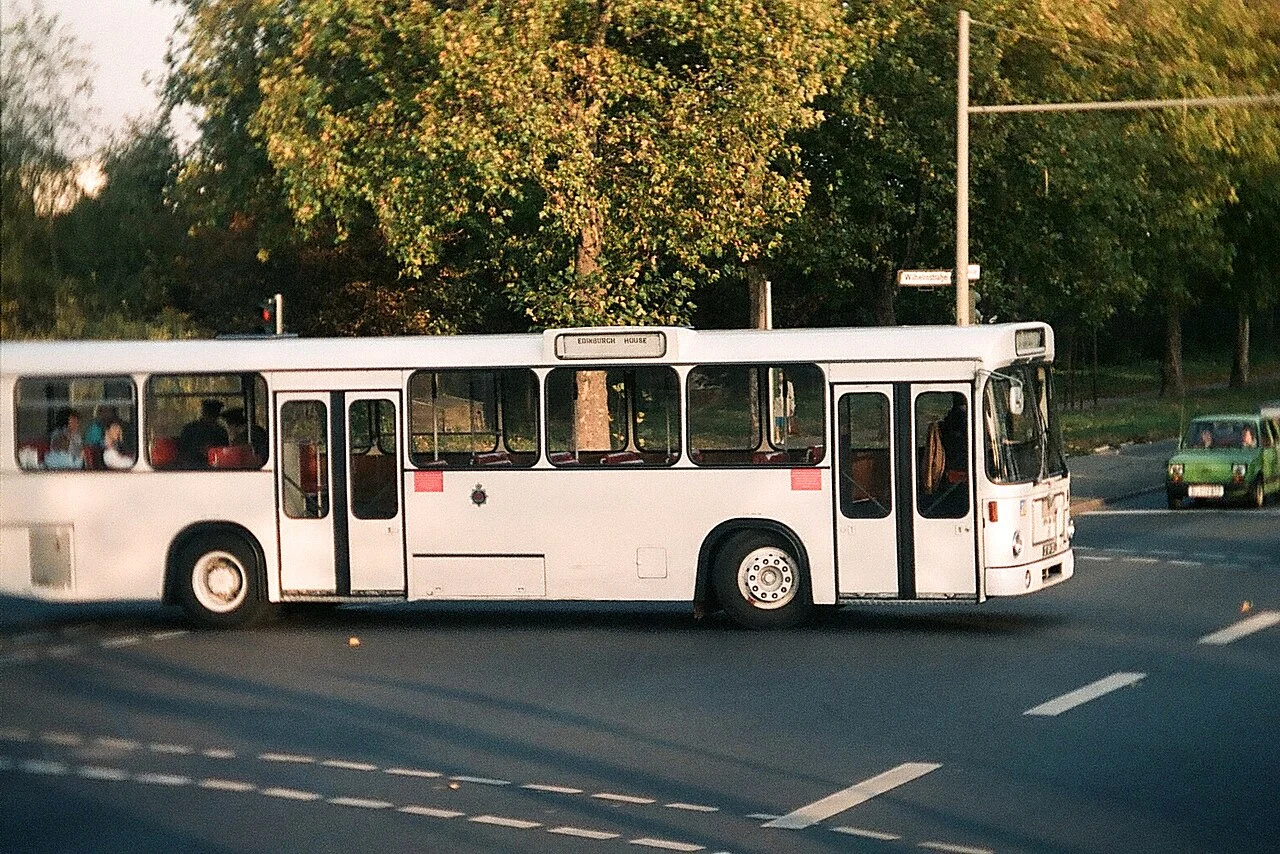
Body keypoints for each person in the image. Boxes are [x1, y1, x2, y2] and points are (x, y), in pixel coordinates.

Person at [178, 399, 229, 469]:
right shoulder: (190, 430)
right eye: (209, 415)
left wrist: (213, 451)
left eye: (214, 416)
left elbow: (224, 452)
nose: (212, 419)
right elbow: (182, 451)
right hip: (192, 468)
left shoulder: (221, 432)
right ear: (204, 414)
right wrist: (199, 451)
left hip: (216, 469)